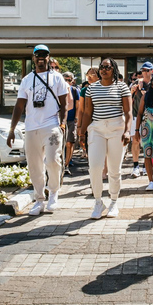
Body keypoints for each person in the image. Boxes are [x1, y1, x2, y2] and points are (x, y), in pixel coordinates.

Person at [8, 44, 67, 216]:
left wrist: (62, 124)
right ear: (33, 58)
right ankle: (39, 199)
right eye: (37, 55)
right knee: (34, 166)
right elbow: (19, 106)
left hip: (51, 126)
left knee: (53, 161)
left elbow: (64, 104)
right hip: (32, 127)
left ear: (49, 57)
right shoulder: (27, 80)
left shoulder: (57, 78)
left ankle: (54, 192)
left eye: (44, 55)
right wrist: (12, 129)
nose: (41, 57)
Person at [78, 58, 132, 219]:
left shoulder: (121, 87)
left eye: (107, 67)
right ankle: (98, 201)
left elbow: (128, 112)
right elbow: (87, 112)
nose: (103, 70)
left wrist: (128, 131)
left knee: (114, 169)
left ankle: (113, 201)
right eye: (101, 67)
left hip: (117, 128)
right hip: (97, 129)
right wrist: (81, 133)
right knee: (94, 167)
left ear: (114, 69)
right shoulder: (91, 88)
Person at [129, 62, 153, 178]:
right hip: (136, 115)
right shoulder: (136, 83)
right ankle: (135, 166)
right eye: (143, 70)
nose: (145, 72)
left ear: (152, 71)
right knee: (135, 140)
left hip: (150, 116)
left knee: (148, 142)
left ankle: (146, 165)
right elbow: (127, 99)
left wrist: (146, 94)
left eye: (147, 70)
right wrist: (132, 91)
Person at [77, 67, 99, 160]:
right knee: (89, 146)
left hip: (100, 120)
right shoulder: (84, 90)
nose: (89, 77)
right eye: (87, 75)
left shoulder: (102, 89)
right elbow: (81, 109)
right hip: (88, 123)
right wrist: (79, 126)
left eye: (92, 75)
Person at [62, 72, 79, 171]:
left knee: (70, 142)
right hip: (60, 120)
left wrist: (76, 118)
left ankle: (67, 165)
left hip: (71, 119)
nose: (67, 82)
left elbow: (77, 105)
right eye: (65, 79)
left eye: (69, 80)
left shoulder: (74, 90)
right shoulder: (58, 89)